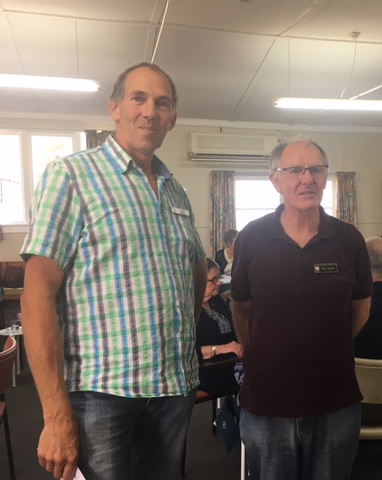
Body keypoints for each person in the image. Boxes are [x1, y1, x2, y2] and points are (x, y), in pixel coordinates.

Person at [20, 62, 208, 480]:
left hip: (173, 387)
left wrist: (182, 335)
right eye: (138, 98)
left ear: (172, 119)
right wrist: (54, 415)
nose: (150, 111)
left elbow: (195, 270)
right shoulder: (70, 176)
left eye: (162, 103)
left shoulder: (175, 189)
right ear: (114, 108)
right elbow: (36, 299)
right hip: (101, 393)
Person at [231, 139, 373, 480]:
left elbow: (360, 311)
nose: (306, 179)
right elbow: (241, 309)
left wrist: (320, 343)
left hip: (335, 401)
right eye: (295, 170)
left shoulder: (350, 240)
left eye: (316, 170)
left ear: (326, 178)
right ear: (276, 181)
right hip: (268, 402)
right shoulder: (251, 238)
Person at [195, 257, 243, 397]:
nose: (219, 282)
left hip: (230, 362)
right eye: (213, 279)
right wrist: (220, 349)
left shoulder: (217, 301)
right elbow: (188, 353)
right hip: (208, 370)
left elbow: (234, 333)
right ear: (198, 281)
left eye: (219, 277)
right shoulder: (187, 311)